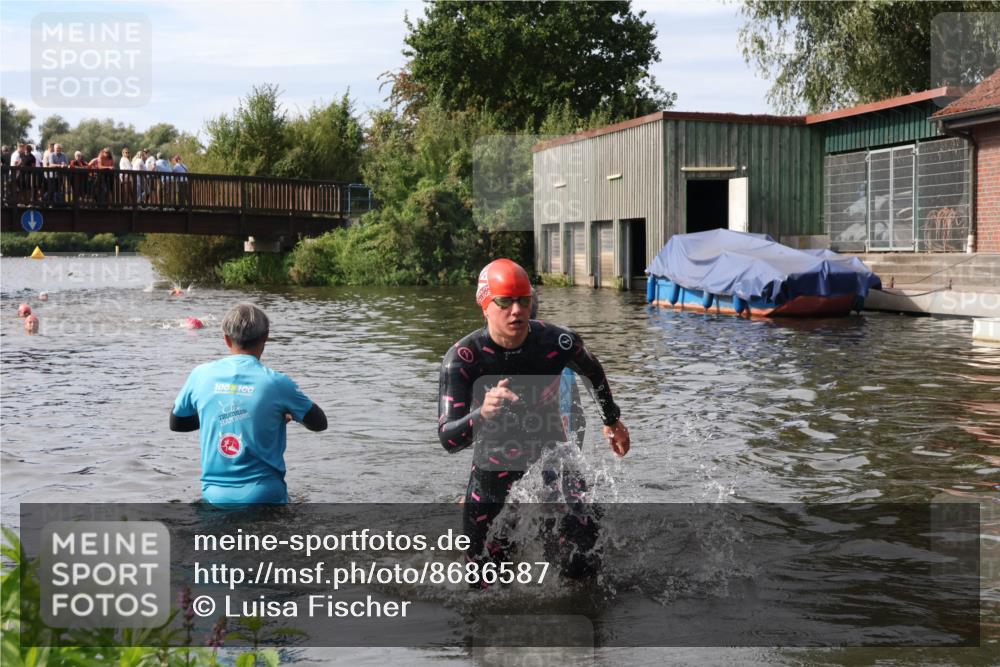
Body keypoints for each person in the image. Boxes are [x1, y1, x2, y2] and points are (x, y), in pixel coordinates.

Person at [437, 258, 630, 577]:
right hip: (494, 463)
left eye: (523, 300)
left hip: (553, 452)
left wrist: (612, 421)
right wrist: (482, 413)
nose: (516, 310)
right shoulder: (462, 359)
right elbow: (448, 439)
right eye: (505, 301)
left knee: (582, 560)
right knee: (484, 578)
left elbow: (592, 370)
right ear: (485, 305)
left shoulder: (557, 341)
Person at [170, 303, 327, 505]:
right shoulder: (277, 383)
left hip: (215, 497)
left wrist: (215, 415)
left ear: (226, 339)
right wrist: (284, 415)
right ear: (265, 337)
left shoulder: (200, 375)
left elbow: (177, 423)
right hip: (265, 497)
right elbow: (319, 423)